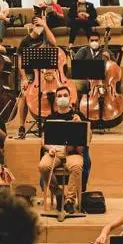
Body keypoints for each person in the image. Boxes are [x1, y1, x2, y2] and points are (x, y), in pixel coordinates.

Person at [39, 86, 87, 215]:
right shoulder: (50, 118)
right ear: (55, 100)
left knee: (77, 167)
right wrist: (49, 149)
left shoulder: (78, 115)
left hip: (73, 152)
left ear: (70, 98)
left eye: (65, 95)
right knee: (43, 166)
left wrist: (80, 123)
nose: (62, 98)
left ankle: (69, 201)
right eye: (59, 96)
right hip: (54, 151)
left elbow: (88, 138)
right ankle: (59, 193)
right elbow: (43, 140)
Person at [14, 16, 58, 139]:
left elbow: (54, 43)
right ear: (32, 26)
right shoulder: (25, 41)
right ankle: (22, 126)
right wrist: (23, 78)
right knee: (24, 94)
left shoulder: (46, 37)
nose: (39, 28)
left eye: (41, 25)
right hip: (29, 73)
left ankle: (48, 122)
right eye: (37, 25)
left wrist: (45, 25)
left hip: (45, 72)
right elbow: (20, 62)